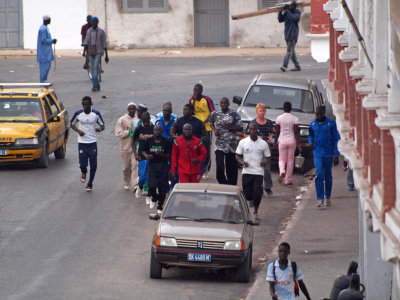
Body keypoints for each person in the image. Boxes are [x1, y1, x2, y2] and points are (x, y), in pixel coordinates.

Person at [236, 122, 271, 220]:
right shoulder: (243, 142)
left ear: (257, 130)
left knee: (257, 193)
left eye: (254, 129)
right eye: (251, 129)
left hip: (258, 172)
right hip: (247, 172)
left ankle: (255, 212)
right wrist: (242, 162)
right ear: (249, 130)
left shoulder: (263, 143)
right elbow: (237, 155)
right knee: (247, 194)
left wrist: (264, 163)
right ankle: (250, 200)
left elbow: (268, 157)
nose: (253, 131)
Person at [70, 96, 105, 192]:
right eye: (83, 104)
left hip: (92, 142)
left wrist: (99, 129)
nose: (84, 106)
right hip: (82, 142)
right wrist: (78, 131)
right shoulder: (78, 114)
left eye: (86, 104)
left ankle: (90, 183)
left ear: (90, 104)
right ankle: (83, 172)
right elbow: (71, 124)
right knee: (82, 162)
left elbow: (102, 125)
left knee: (93, 164)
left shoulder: (96, 114)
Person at [308, 106, 340, 208]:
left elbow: (336, 139)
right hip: (317, 153)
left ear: (324, 113)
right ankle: (320, 199)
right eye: (317, 114)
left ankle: (328, 196)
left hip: (328, 154)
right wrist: (310, 142)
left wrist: (336, 155)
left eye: (320, 113)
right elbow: (310, 135)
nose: (319, 115)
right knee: (319, 174)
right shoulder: (313, 124)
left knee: (328, 176)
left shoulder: (331, 124)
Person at [209, 97, 243, 185]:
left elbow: (241, 127)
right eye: (222, 103)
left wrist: (230, 127)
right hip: (220, 144)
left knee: (231, 167)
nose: (223, 105)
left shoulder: (234, 114)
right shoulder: (215, 113)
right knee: (219, 164)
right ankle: (223, 183)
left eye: (225, 103)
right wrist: (215, 130)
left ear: (228, 104)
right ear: (220, 104)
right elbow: (210, 122)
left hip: (232, 144)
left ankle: (231, 185)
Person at [142, 125, 171, 214]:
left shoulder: (166, 141)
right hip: (152, 166)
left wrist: (162, 155)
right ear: (153, 131)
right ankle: (154, 197)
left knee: (163, 188)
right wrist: (146, 156)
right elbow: (143, 150)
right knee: (152, 186)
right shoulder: (149, 140)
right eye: (155, 129)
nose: (157, 131)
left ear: (162, 131)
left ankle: (160, 206)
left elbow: (169, 156)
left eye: (159, 129)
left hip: (163, 166)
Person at [189, 84, 215, 177]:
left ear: (201, 91)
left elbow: (213, 112)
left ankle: (205, 170)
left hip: (206, 129)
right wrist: (194, 102)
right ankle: (198, 169)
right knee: (196, 149)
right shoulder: (192, 100)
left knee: (206, 149)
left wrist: (204, 122)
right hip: (196, 129)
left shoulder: (207, 100)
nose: (195, 92)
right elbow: (190, 113)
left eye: (197, 91)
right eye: (194, 90)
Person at [274, 101, 299, 185]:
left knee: (281, 159)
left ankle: (282, 171)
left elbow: (277, 131)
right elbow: (296, 132)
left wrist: (275, 141)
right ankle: (288, 180)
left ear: (283, 108)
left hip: (282, 140)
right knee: (290, 160)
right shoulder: (295, 119)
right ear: (291, 109)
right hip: (292, 141)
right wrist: (298, 144)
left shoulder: (279, 118)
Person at [132, 112, 154, 206]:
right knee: (143, 177)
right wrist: (135, 154)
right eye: (143, 121)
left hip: (152, 156)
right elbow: (133, 142)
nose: (145, 123)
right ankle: (140, 187)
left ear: (149, 119)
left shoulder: (153, 128)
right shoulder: (138, 129)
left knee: (150, 178)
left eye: (146, 121)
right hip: (141, 156)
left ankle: (148, 197)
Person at [115, 102, 138, 191]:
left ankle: (135, 184)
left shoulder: (138, 119)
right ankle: (126, 181)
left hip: (135, 148)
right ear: (128, 109)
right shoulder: (122, 120)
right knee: (126, 167)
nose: (132, 110)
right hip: (125, 147)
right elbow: (118, 133)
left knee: (135, 166)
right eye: (130, 109)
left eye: (133, 109)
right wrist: (129, 132)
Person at [83, 16, 109, 92]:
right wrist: (84, 52)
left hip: (99, 51)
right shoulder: (89, 31)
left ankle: (95, 85)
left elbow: (104, 44)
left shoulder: (101, 32)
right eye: (93, 22)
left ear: (97, 22)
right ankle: (96, 84)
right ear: (91, 23)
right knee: (93, 68)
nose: (94, 23)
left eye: (95, 22)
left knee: (95, 67)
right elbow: (86, 42)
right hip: (91, 51)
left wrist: (106, 55)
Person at [252, 103, 274, 195]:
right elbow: (246, 134)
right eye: (260, 111)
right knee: (257, 169)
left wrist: (271, 138)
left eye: (263, 111)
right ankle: (258, 188)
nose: (262, 113)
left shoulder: (269, 123)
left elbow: (272, 133)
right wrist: (256, 137)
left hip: (266, 149)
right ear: (257, 112)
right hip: (256, 149)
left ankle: (268, 186)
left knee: (266, 169)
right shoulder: (253, 123)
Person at [278, 0, 302, 72]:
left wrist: (286, 10)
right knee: (292, 51)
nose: (290, 7)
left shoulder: (297, 12)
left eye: (292, 6)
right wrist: (280, 11)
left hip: (293, 34)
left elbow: (293, 18)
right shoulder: (287, 12)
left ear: (294, 6)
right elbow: (280, 19)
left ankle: (284, 65)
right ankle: (297, 66)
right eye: (289, 6)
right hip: (287, 34)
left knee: (289, 51)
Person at [37, 15, 57, 83]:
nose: (50, 21)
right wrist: (52, 41)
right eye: (49, 19)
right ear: (46, 20)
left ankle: (44, 80)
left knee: (47, 67)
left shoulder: (45, 28)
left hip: (47, 52)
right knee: (44, 68)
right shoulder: (43, 29)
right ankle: (43, 81)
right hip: (44, 53)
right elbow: (44, 40)